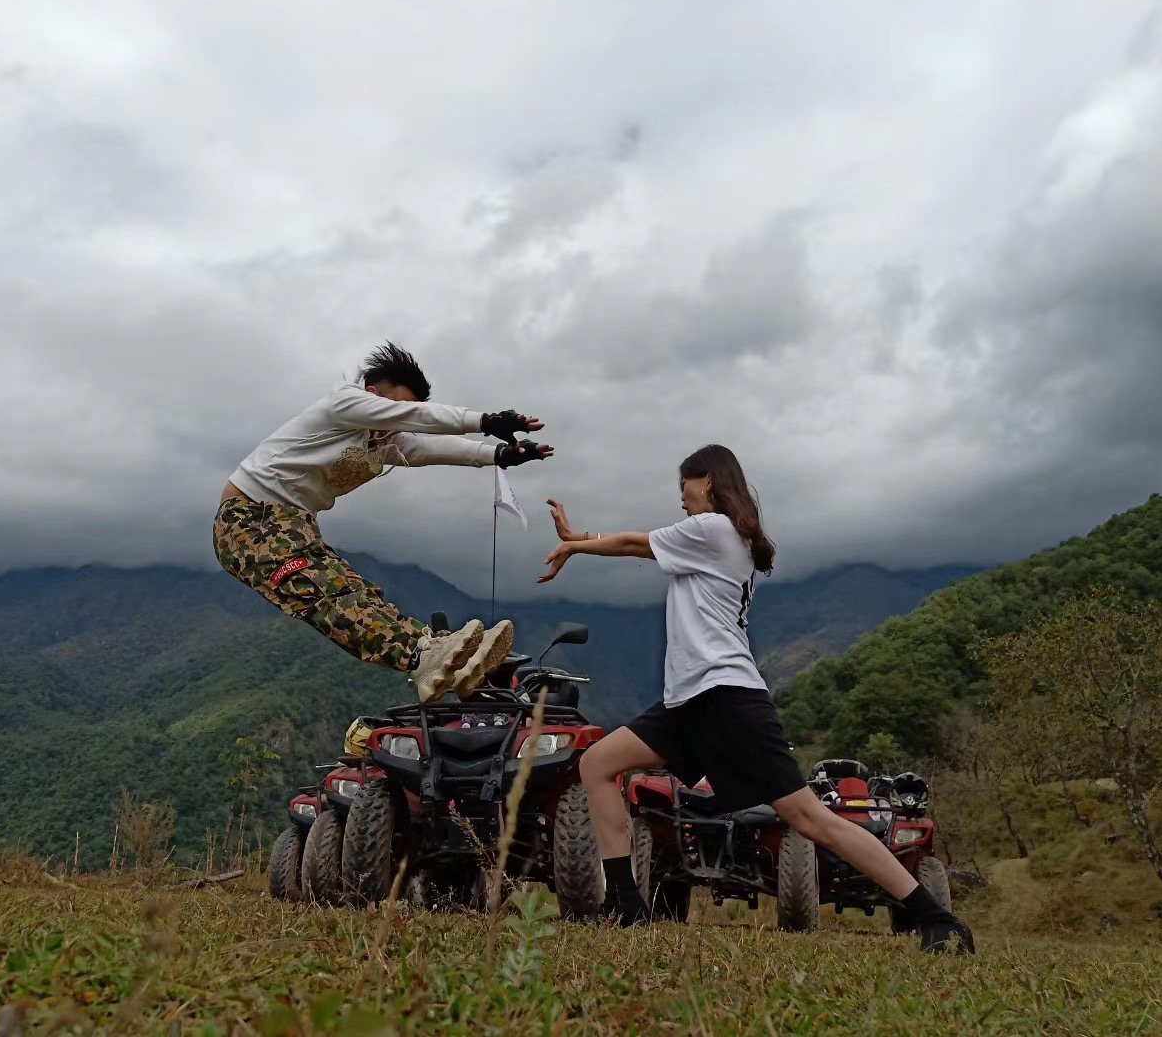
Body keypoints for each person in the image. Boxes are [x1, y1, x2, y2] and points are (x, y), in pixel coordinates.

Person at [538, 444, 974, 953]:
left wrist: (577, 541)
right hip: (687, 702)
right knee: (597, 765)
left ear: (708, 481)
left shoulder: (715, 529)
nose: (680, 500)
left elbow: (637, 544)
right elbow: (644, 548)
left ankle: (935, 916)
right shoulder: (719, 540)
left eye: (683, 487)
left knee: (810, 818)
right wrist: (580, 540)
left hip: (726, 697)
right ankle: (626, 904)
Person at [215, 342, 553, 702]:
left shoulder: (383, 441)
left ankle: (432, 653)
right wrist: (485, 421)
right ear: (373, 396)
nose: (399, 424)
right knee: (328, 597)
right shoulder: (342, 403)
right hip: (249, 520)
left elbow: (433, 449)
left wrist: (499, 455)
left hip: (292, 524)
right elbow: (420, 421)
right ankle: (421, 656)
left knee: (355, 592)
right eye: (397, 412)